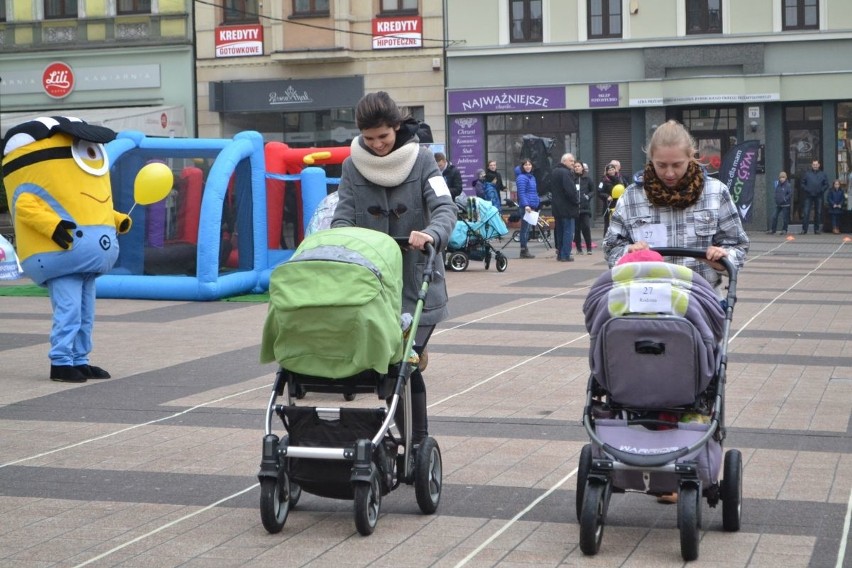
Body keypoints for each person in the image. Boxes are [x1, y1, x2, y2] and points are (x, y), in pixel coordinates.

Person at [331, 91, 457, 447]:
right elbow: (342, 214)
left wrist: (431, 233)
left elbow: (446, 208)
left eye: (383, 137)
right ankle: (393, 437)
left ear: (397, 127)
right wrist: (343, 239)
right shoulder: (352, 165)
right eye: (369, 139)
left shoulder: (423, 160)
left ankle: (417, 444)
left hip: (417, 282)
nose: (377, 145)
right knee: (386, 368)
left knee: (404, 366)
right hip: (371, 284)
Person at [2, 117, 134, 382]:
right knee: (69, 310)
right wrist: (53, 226)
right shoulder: (33, 162)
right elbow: (26, 206)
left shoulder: (87, 178)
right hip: (62, 255)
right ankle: (61, 362)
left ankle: (80, 359)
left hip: (86, 260)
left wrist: (118, 219)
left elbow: (95, 207)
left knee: (86, 313)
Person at [604, 120, 749, 293]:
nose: (670, 173)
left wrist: (721, 258)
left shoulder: (715, 192)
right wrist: (629, 252)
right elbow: (611, 247)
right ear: (651, 158)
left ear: (691, 156)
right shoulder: (632, 196)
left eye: (677, 164)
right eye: (662, 165)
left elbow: (738, 246)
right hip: (647, 302)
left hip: (702, 301)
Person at [550, 153, 578, 262]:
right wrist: (576, 201)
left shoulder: (554, 172)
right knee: (568, 232)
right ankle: (565, 254)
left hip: (557, 207)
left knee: (560, 231)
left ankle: (560, 253)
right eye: (571, 161)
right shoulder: (566, 173)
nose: (573, 163)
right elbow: (570, 191)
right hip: (567, 208)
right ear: (564, 161)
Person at [515, 158, 540, 259]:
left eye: (529, 164)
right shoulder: (522, 178)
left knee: (527, 229)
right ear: (522, 167)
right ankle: (523, 250)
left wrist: (536, 202)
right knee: (525, 229)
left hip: (531, 206)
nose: (528, 166)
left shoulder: (531, 177)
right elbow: (522, 193)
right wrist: (526, 205)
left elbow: (533, 192)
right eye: (525, 165)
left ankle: (524, 249)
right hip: (526, 207)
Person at [800, 159, 828, 234]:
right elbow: (802, 184)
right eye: (814, 164)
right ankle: (804, 230)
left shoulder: (823, 174)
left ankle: (817, 229)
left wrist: (821, 190)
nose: (815, 166)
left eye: (816, 164)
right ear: (812, 165)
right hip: (808, 195)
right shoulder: (807, 174)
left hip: (819, 195)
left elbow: (826, 184)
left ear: (819, 165)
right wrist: (807, 189)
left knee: (818, 213)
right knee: (806, 212)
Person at [598, 163, 627, 236]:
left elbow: (627, 187)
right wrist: (607, 196)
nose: (611, 171)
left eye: (612, 169)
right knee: (608, 224)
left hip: (620, 204)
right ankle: (606, 240)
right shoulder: (603, 180)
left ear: (615, 169)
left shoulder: (621, 178)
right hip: (609, 204)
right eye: (609, 170)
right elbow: (599, 192)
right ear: (607, 171)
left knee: (620, 223)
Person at [573, 160, 595, 254]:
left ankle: (589, 248)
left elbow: (593, 191)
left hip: (585, 207)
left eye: (578, 166)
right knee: (576, 229)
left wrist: (588, 196)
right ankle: (579, 249)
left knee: (586, 227)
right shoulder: (572, 179)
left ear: (582, 168)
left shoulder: (587, 179)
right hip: (574, 208)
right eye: (575, 166)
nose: (577, 168)